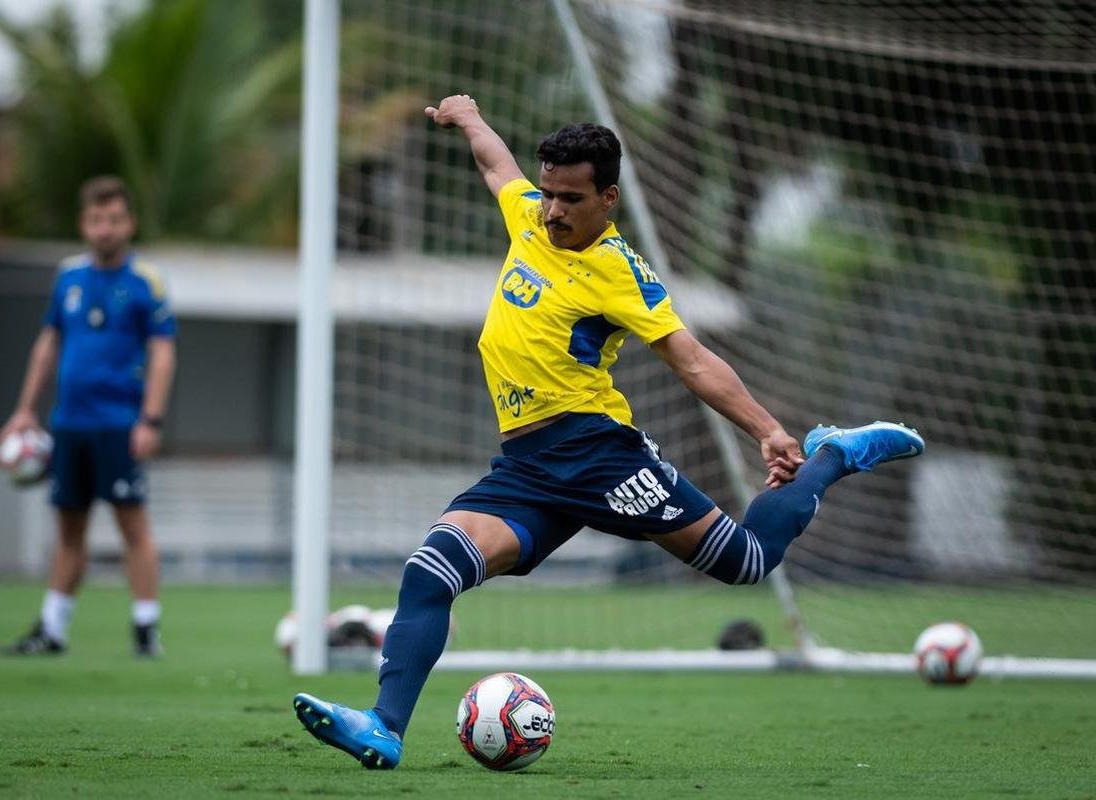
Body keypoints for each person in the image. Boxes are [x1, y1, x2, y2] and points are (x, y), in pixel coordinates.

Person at [292, 95, 924, 768]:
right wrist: (473, 118)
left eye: (569, 198)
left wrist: (767, 431)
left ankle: (830, 453)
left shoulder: (620, 271)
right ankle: (383, 729)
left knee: (744, 561)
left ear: (608, 198)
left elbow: (691, 359)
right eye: (548, 194)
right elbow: (496, 169)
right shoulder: (531, 220)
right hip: (527, 466)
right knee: (430, 571)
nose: (553, 210)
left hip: (598, 455)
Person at [0, 175, 177, 658]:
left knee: (132, 527)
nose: (105, 229)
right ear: (84, 223)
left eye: (114, 219)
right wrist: (24, 411)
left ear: (129, 223)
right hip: (68, 423)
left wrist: (151, 420)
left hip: (119, 424)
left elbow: (162, 352)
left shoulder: (146, 282)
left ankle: (145, 630)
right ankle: (52, 630)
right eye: (96, 219)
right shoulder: (68, 278)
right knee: (68, 530)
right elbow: (49, 342)